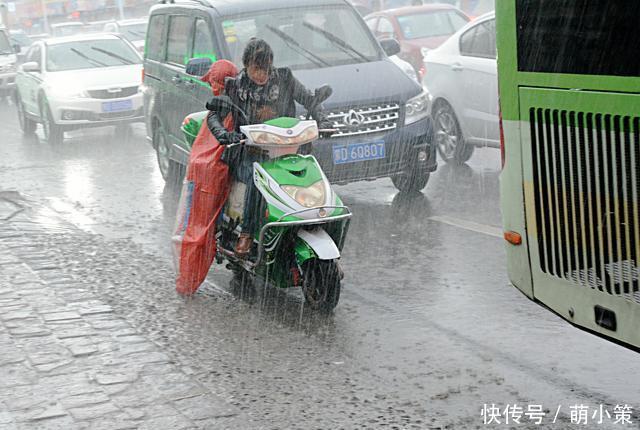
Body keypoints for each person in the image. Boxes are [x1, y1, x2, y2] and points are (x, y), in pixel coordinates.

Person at [207, 38, 327, 258]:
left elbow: (310, 100)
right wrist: (223, 134)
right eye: (256, 69)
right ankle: (246, 233)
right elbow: (214, 115)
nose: (262, 74)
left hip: (287, 150)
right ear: (246, 65)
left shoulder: (285, 78)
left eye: (266, 68)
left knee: (309, 171)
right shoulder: (236, 86)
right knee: (258, 178)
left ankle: (316, 219)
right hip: (249, 153)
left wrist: (323, 120)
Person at [173, 59, 239, 296]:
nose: (213, 87)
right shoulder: (221, 107)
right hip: (210, 170)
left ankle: (187, 280)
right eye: (213, 83)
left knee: (198, 230)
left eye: (215, 82)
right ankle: (188, 280)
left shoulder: (243, 99)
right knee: (199, 230)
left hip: (213, 167)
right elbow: (214, 122)